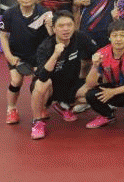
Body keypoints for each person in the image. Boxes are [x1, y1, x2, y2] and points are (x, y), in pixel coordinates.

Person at [29, 10, 95, 139]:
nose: (66, 29)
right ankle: (37, 122)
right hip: (50, 88)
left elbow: (96, 53)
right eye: (61, 26)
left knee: (94, 94)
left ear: (74, 26)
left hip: (70, 85)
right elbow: (42, 76)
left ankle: (63, 106)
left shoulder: (80, 37)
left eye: (69, 25)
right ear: (54, 28)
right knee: (42, 84)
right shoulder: (46, 46)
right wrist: (55, 55)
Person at [0, 0, 52, 125]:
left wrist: (50, 25)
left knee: (42, 82)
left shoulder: (44, 12)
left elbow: (52, 36)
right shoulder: (9, 13)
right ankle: (11, 109)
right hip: (17, 54)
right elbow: (3, 36)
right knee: (16, 81)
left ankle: (41, 107)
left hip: (39, 55)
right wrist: (9, 56)